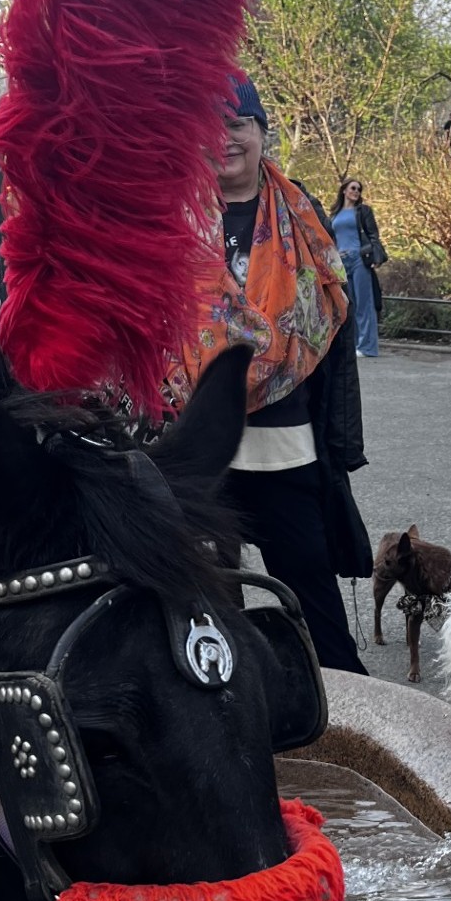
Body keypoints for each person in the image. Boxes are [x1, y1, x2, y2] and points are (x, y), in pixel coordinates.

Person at [167, 74, 371, 674]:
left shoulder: (300, 214)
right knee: (204, 618)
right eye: (208, 126)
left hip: (283, 451)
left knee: (319, 615)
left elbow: (328, 323)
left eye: (237, 124)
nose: (224, 139)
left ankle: (354, 729)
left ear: (260, 131)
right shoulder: (169, 223)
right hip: (196, 454)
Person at [328, 178, 383, 359]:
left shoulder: (363, 211)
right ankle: (352, 344)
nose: (356, 192)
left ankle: (367, 347)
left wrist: (375, 256)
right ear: (344, 190)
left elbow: (373, 234)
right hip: (342, 262)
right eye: (353, 188)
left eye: (359, 189)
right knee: (348, 305)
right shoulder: (334, 214)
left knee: (364, 304)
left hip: (359, 259)